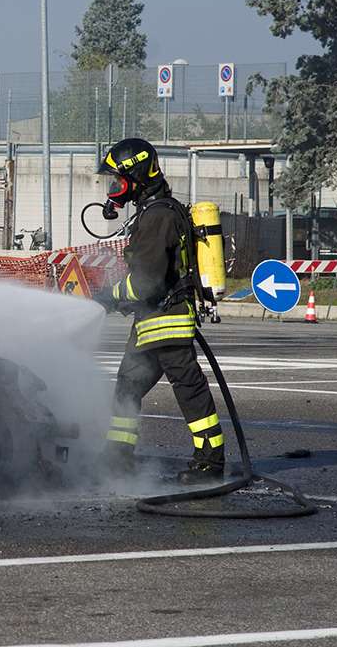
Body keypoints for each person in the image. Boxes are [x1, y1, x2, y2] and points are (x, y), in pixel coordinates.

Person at [93, 138, 224, 484]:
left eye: (119, 180)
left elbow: (147, 283)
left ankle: (211, 462)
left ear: (136, 176)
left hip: (166, 319)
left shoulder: (158, 217)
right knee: (127, 387)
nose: (114, 189)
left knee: (188, 387)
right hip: (150, 322)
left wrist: (111, 295)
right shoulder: (156, 212)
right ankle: (117, 456)